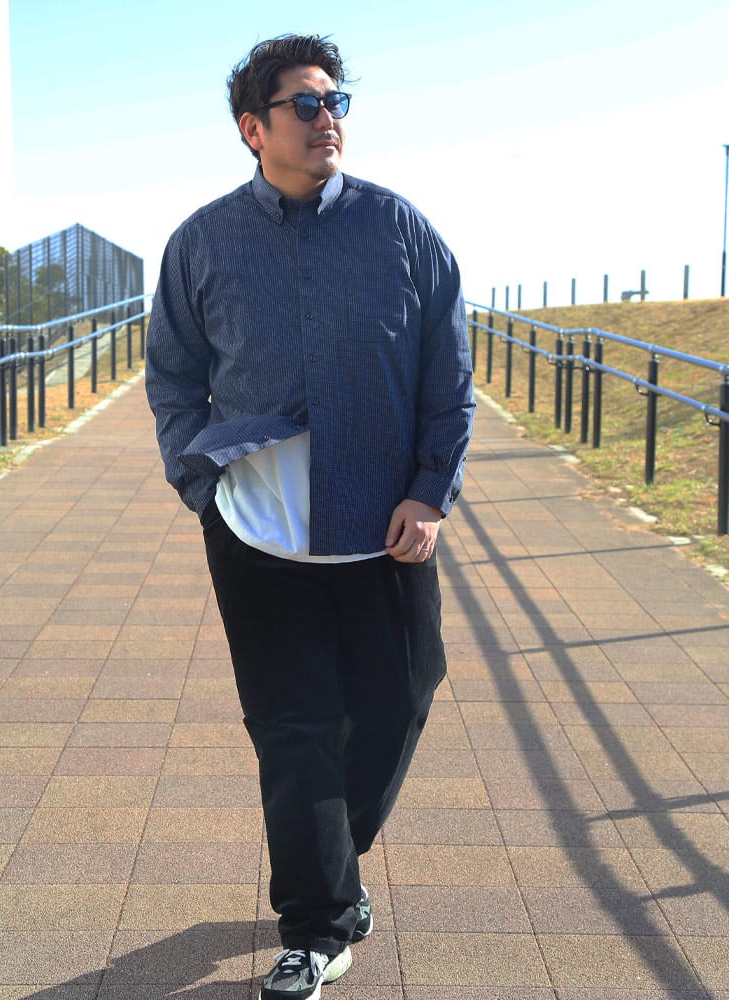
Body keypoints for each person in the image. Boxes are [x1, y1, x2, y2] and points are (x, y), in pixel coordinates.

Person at [145, 33, 475, 1000]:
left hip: (384, 524)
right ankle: (317, 928)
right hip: (255, 529)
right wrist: (202, 490)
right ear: (254, 129)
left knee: (402, 694)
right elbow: (172, 377)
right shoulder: (202, 242)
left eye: (336, 101)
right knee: (293, 727)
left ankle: (332, 857)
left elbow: (449, 372)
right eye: (304, 104)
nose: (327, 117)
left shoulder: (399, 230)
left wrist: (431, 489)